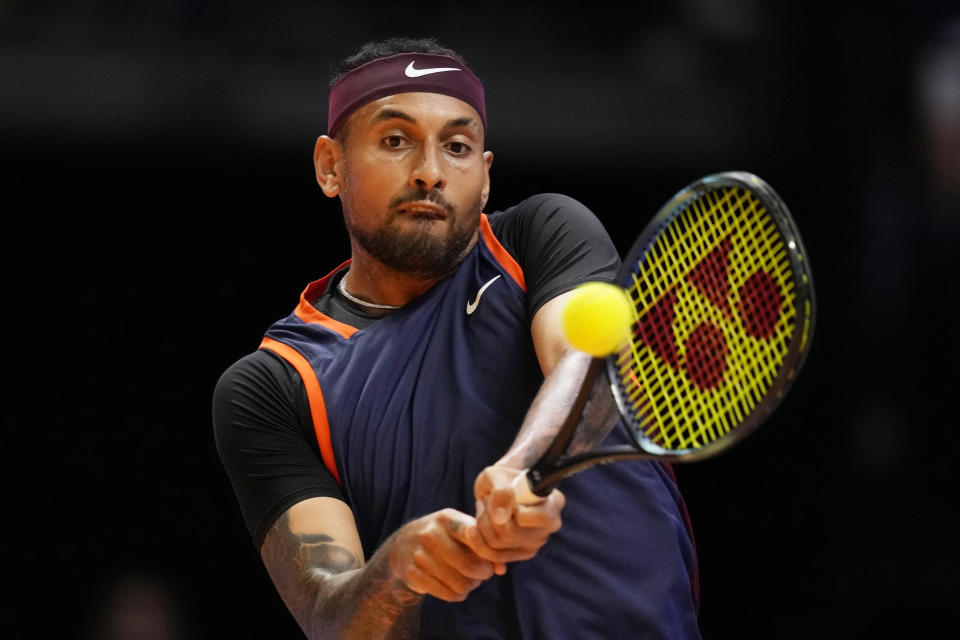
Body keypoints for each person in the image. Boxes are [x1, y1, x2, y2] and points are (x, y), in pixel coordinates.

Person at [213, 36, 700, 639]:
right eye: (395, 141)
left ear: (486, 176)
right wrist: (396, 570)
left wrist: (523, 466)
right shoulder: (276, 385)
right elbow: (328, 615)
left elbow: (585, 361)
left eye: (458, 146)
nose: (431, 172)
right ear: (330, 166)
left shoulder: (539, 238)